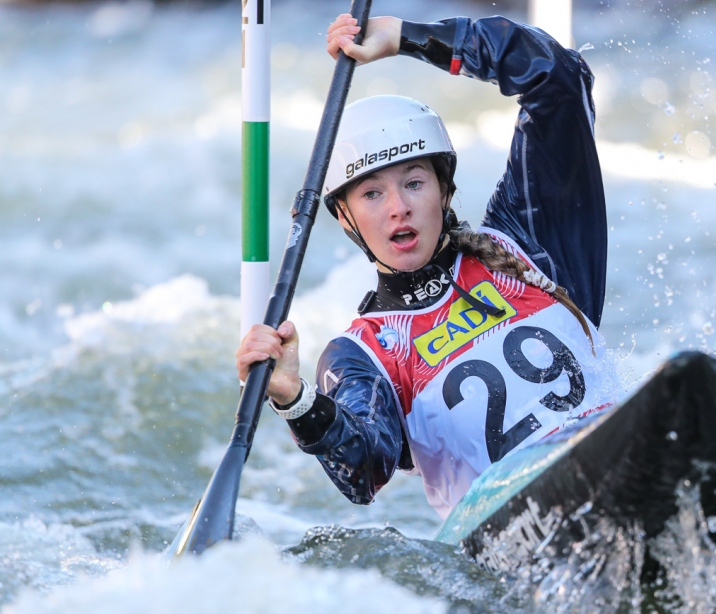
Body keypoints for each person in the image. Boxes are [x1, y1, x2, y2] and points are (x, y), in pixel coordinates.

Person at [236, 12, 621, 519]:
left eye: (415, 182)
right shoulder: (362, 356)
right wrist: (294, 398)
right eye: (373, 193)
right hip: (522, 531)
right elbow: (364, 466)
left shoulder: (531, 246)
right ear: (347, 219)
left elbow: (556, 78)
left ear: (444, 189)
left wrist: (410, 39)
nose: (398, 207)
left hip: (619, 457)